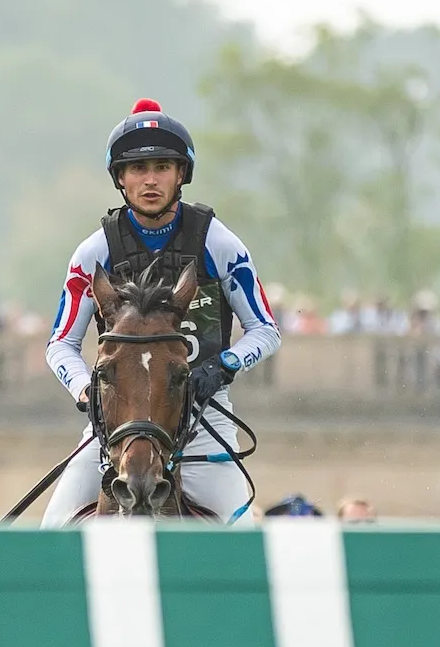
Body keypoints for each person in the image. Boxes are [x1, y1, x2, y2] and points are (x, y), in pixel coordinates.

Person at [42, 101, 281, 525]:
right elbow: (61, 344)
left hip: (202, 417)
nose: (150, 180)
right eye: (138, 168)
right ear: (120, 178)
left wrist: (223, 366)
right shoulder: (94, 252)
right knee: (52, 533)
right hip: (117, 421)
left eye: (162, 167)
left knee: (241, 538)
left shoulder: (219, 244)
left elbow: (265, 330)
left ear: (181, 174)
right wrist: (87, 391)